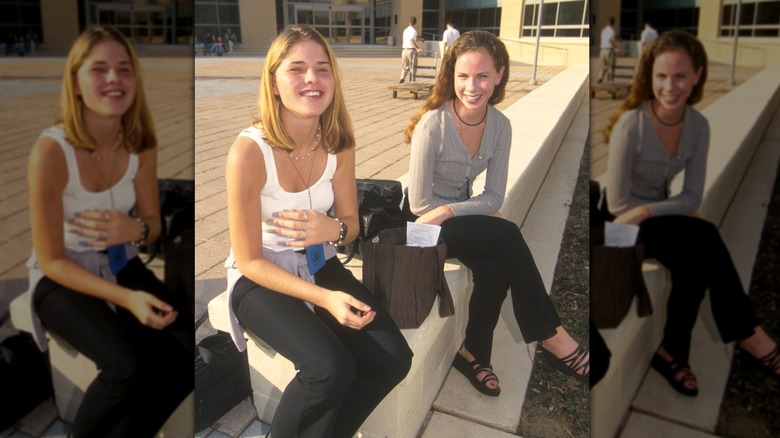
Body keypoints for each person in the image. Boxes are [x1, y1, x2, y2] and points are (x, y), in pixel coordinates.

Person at [224, 24, 412, 437]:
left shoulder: (339, 142)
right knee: (329, 367)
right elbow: (250, 260)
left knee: (392, 359)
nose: (312, 79)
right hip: (260, 277)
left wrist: (332, 228)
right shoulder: (249, 152)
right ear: (273, 83)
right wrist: (326, 299)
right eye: (297, 69)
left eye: (322, 68)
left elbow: (350, 229)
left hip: (319, 263)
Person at [26, 26, 192, 436]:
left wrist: (132, 227)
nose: (114, 80)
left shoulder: (140, 143)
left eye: (124, 69)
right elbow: (50, 260)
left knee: (186, 357)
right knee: (126, 366)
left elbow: (151, 227)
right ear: (76, 83)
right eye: (99, 69)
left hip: (122, 263)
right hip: (61, 277)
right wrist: (127, 298)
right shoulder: (51, 151)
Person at [404, 30, 589, 397]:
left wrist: (453, 209)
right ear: (451, 75)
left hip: (452, 220)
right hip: (421, 229)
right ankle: (553, 337)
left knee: (496, 267)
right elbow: (420, 205)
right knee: (505, 234)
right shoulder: (433, 126)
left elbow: (494, 196)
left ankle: (475, 354)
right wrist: (453, 210)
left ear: (500, 74)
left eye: (483, 76)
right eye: (463, 76)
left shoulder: (500, 126)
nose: (472, 86)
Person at [604, 30, 780, 396]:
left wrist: (659, 210)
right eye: (662, 76)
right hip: (616, 225)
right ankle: (750, 336)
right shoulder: (631, 125)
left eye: (680, 76)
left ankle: (673, 353)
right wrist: (669, 210)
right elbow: (621, 204)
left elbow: (692, 196)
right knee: (704, 236)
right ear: (650, 76)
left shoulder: (698, 126)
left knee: (696, 259)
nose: (671, 86)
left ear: (697, 75)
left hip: (650, 220)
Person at [399, 16, 423, 83]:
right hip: (411, 51)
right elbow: (411, 40)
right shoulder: (414, 31)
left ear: (409, 22)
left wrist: (419, 39)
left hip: (404, 50)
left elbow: (410, 39)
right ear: (415, 23)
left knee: (405, 66)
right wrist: (417, 48)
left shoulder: (406, 30)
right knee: (413, 67)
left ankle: (402, 78)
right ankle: (412, 82)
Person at [597, 17, 617, 84]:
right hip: (609, 50)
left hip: (602, 50)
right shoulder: (612, 31)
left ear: (607, 23)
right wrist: (615, 48)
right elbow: (610, 40)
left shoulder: (603, 30)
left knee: (603, 66)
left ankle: (600, 77)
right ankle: (610, 82)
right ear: (613, 23)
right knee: (610, 67)